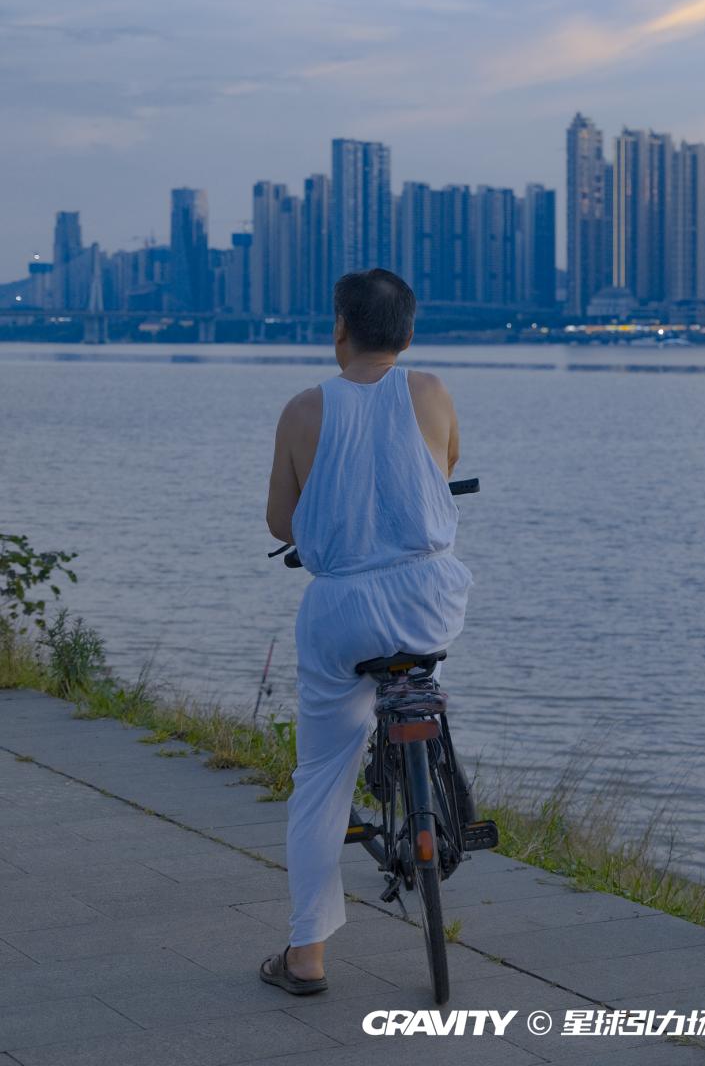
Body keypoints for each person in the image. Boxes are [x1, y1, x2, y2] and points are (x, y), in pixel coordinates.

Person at [258, 268, 472, 996]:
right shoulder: (432, 393)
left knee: (320, 778)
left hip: (341, 610)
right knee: (420, 668)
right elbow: (445, 467)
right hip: (429, 600)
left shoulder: (303, 410)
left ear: (338, 329)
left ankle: (307, 955)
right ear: (408, 335)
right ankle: (427, 749)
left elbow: (282, 523)